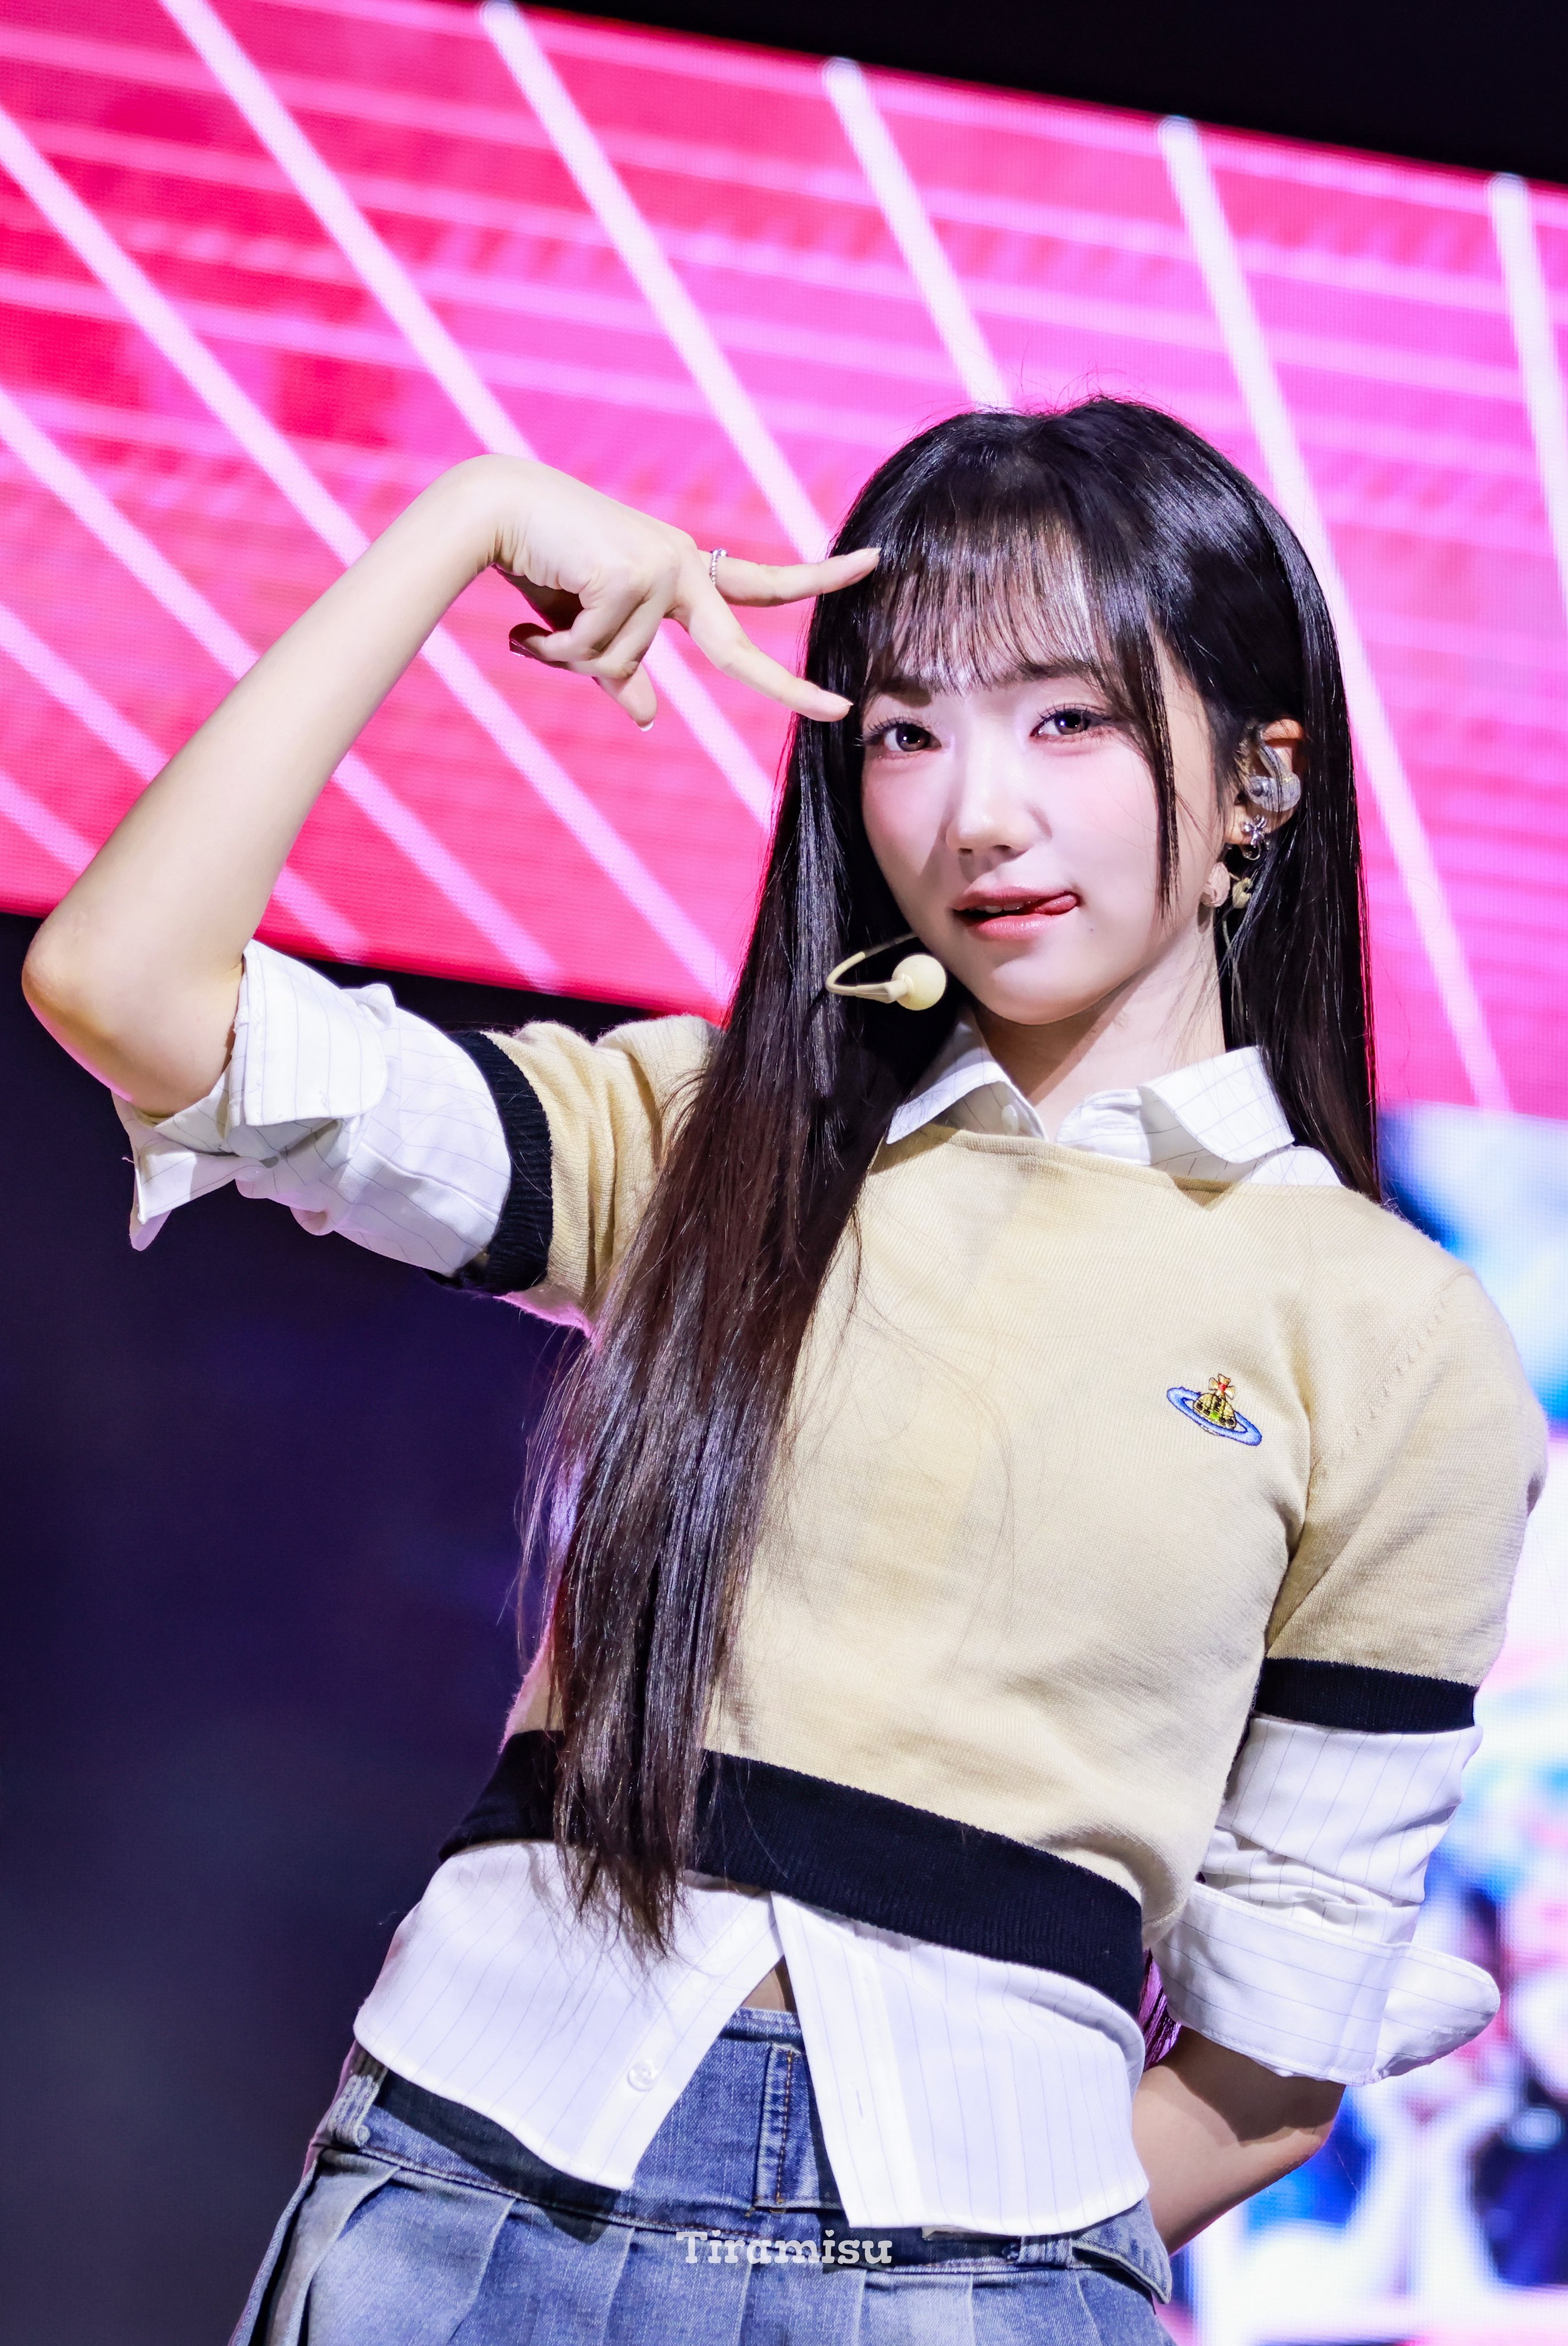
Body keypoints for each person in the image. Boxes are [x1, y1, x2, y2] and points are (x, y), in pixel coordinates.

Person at [23, 403, 1547, 2345]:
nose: (975, 812)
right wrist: (464, 520)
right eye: (905, 731)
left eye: (1066, 720)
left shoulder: (1393, 1335)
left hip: (972, 2276)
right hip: (466, 2192)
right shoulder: (708, 1137)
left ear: (1261, 778)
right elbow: (128, 986)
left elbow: (1273, 2063)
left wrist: (982, 2268)